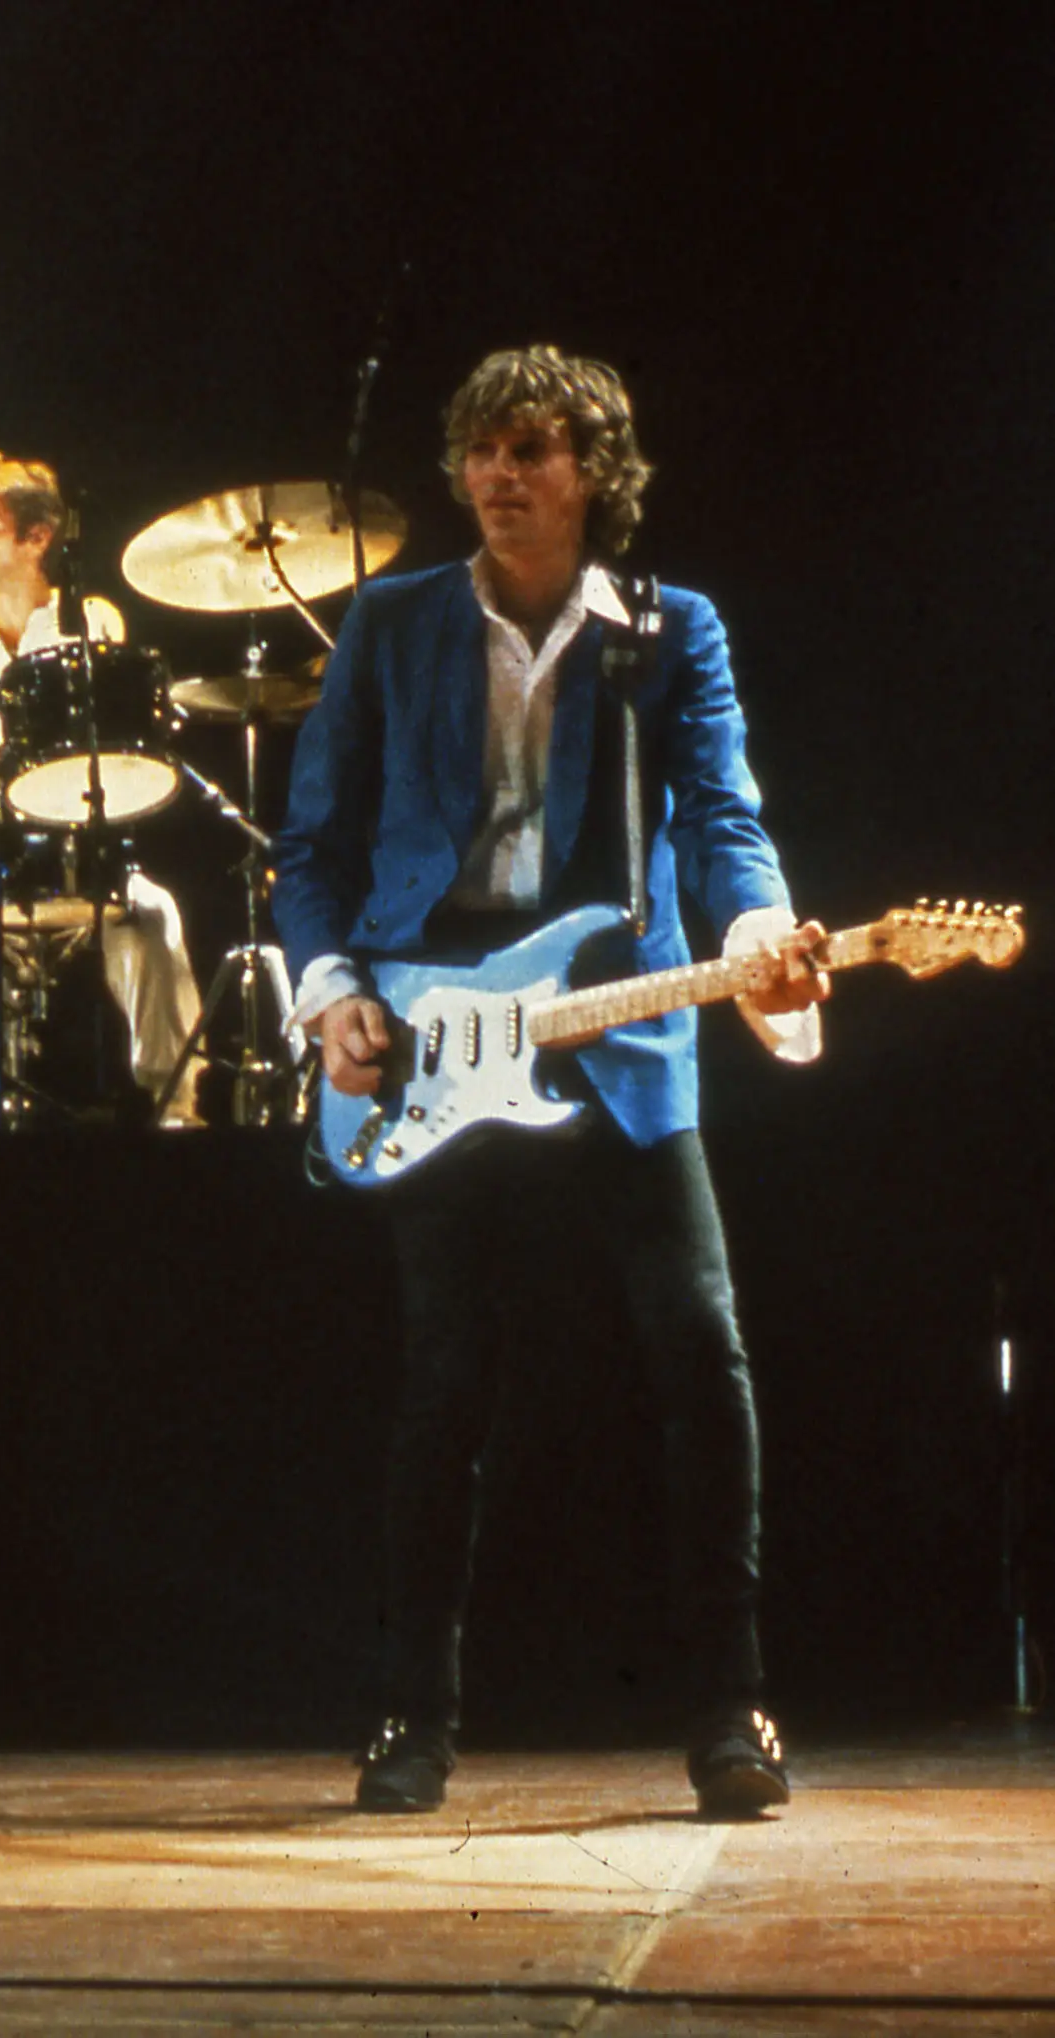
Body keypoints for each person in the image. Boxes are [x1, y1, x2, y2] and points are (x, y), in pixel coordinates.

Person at [272, 346, 830, 1817]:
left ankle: (730, 1709)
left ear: (595, 473)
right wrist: (331, 995)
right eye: (480, 450)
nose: (501, 475)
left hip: (619, 1025)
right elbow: (312, 845)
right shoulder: (390, 623)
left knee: (699, 1353)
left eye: (533, 448)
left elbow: (720, 812)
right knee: (443, 1381)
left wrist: (760, 937)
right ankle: (410, 1717)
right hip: (426, 1023)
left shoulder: (666, 628)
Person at [0, 452, 204, 1123]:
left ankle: (179, 1110)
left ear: (38, 538)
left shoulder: (93, 622)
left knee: (155, 916)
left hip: (77, 851)